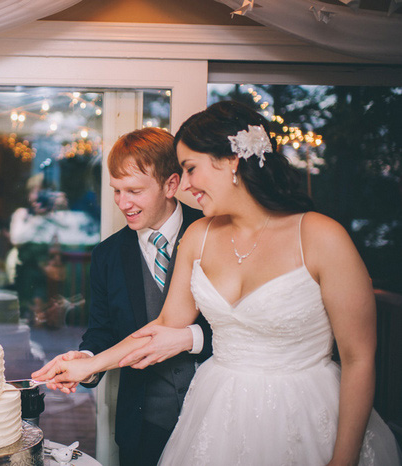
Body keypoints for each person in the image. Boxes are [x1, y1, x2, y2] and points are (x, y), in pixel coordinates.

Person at [34, 101, 402, 465]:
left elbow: (358, 359)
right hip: (216, 415)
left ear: (232, 162)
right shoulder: (200, 235)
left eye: (191, 169)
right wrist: (89, 364)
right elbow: (163, 326)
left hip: (306, 412)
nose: (186, 184)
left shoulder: (322, 236)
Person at [33, 127, 212, 466]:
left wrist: (190, 338)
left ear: (171, 185)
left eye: (134, 191)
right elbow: (102, 331)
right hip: (144, 425)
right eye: (116, 191)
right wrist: (85, 361)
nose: (122, 203)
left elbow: (245, 329)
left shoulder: (214, 232)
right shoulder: (107, 255)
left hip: (217, 414)